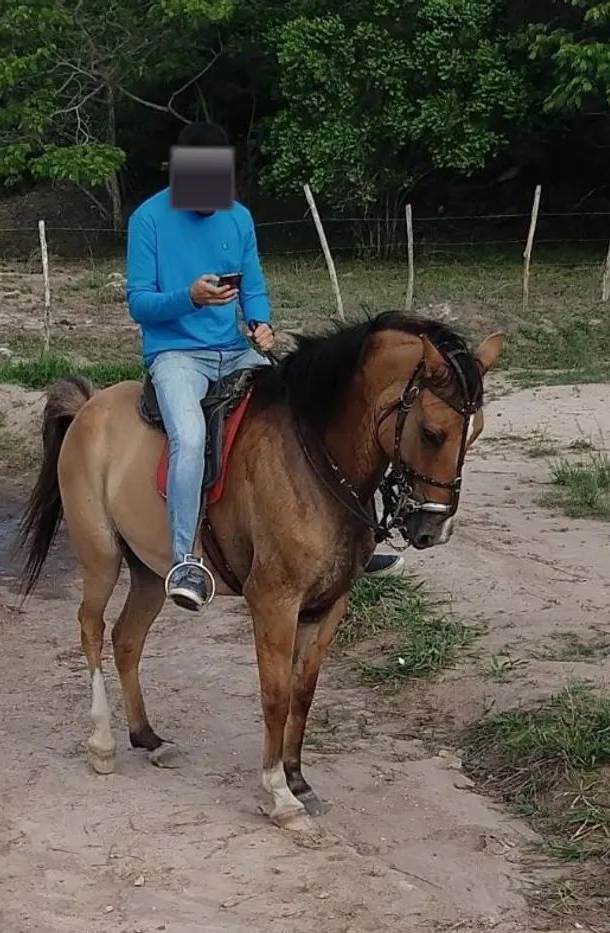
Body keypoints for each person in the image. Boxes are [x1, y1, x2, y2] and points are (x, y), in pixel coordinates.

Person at [126, 120, 403, 611]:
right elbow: (139, 304)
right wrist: (189, 297)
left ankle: (358, 540)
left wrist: (260, 323)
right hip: (175, 355)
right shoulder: (148, 219)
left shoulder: (238, 218)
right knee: (189, 437)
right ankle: (184, 558)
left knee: (311, 409)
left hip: (234, 349)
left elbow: (252, 284)